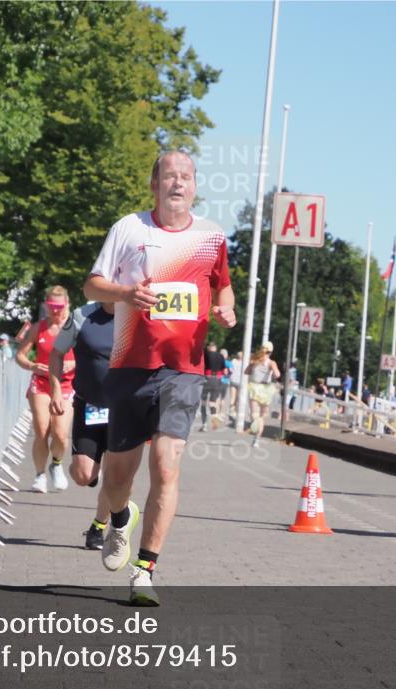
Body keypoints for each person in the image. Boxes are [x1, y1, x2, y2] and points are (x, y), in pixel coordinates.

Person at [83, 150, 236, 605]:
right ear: (154, 184)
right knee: (116, 478)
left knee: (166, 465)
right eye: (169, 176)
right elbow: (92, 286)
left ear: (195, 186)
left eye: (186, 177)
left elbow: (221, 283)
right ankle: (116, 520)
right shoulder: (129, 228)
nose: (178, 183)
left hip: (184, 369)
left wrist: (226, 307)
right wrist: (127, 292)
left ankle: (145, 570)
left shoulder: (212, 237)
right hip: (130, 364)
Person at [49, 300, 116, 550]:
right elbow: (56, 352)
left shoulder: (139, 315)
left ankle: (99, 527)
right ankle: (92, 474)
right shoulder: (81, 315)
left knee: (116, 477)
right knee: (82, 475)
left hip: (124, 410)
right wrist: (56, 389)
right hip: (91, 405)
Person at [15, 286, 76, 493]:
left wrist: (74, 364)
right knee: (42, 430)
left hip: (66, 384)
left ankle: (56, 464)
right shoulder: (38, 328)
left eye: (59, 306)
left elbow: (90, 355)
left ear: (67, 304)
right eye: (51, 306)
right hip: (41, 384)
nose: (55, 310)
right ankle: (39, 475)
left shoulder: (74, 327)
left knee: (60, 433)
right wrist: (33, 366)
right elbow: (20, 355)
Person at [245, 343, 280, 446]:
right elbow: (277, 374)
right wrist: (273, 373)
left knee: (254, 414)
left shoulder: (255, 360)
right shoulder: (271, 362)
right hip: (266, 389)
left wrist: (251, 365)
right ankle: (257, 439)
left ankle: (254, 426)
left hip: (255, 387)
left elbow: (246, 372)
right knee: (262, 416)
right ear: (271, 352)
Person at [200, 342, 226, 431]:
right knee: (212, 402)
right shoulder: (221, 356)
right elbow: (224, 370)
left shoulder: (205, 354)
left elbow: (200, 366)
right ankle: (214, 416)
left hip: (206, 378)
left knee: (203, 402)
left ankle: (204, 424)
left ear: (209, 347)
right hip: (217, 379)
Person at [228, 350, 243, 421]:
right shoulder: (244, 362)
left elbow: (230, 370)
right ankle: (237, 412)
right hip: (241, 381)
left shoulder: (233, 361)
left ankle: (231, 411)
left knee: (232, 397)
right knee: (238, 398)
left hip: (233, 380)